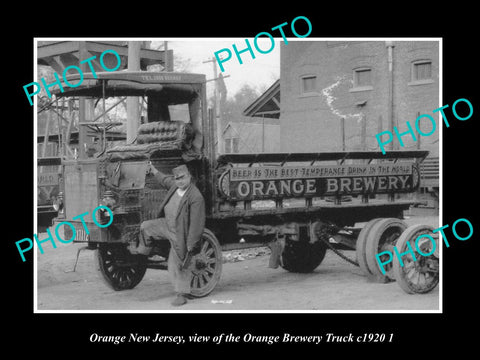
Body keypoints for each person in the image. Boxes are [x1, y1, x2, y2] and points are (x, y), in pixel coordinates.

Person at [128, 162, 206, 306]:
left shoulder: (196, 197)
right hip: (167, 224)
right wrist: (153, 169)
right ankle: (143, 252)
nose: (180, 181)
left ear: (189, 177)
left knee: (177, 263)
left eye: (183, 178)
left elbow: (197, 224)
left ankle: (181, 294)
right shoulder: (175, 187)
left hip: (181, 232)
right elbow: (163, 179)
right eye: (177, 179)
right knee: (146, 227)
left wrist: (190, 245)